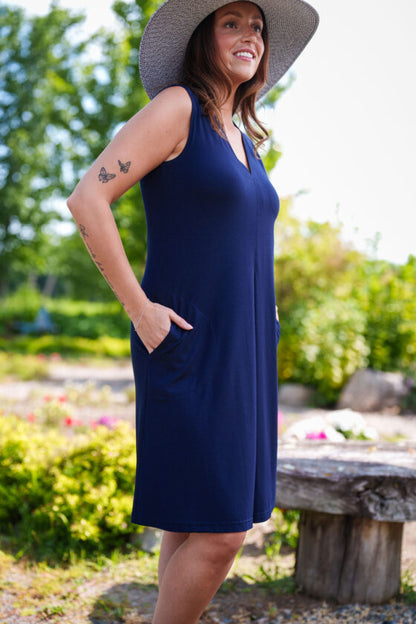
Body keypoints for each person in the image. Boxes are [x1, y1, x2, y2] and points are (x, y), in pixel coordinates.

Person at [67, 1, 319, 622]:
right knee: (222, 531)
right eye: (232, 23)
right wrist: (141, 311)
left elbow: (237, 240)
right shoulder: (177, 108)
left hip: (246, 349)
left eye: (256, 27)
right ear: (203, 38)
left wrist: (269, 314)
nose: (250, 36)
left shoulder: (244, 137)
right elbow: (87, 200)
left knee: (191, 521)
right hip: (185, 340)